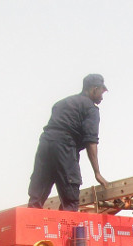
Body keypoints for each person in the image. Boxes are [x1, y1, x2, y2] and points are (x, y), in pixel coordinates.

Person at [28, 73, 109, 211]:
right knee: (70, 200)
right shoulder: (90, 108)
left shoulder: (60, 104)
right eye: (101, 92)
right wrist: (97, 172)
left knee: (36, 197)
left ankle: (30, 228)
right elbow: (91, 141)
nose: (102, 97)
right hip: (64, 146)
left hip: (45, 144)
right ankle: (65, 230)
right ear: (94, 89)